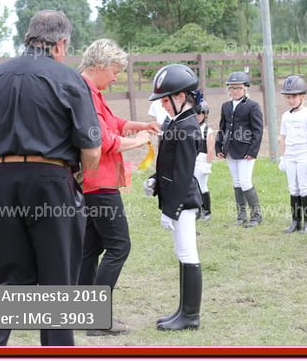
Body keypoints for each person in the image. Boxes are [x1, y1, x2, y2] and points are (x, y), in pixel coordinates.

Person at [0, 10, 101, 346]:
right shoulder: (68, 78)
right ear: (60, 43)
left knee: (11, 276)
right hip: (51, 179)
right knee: (58, 279)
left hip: (2, 178)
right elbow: (91, 148)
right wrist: (78, 176)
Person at [77, 38, 157, 336]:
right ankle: (97, 317)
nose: (115, 78)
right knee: (119, 246)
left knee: (90, 248)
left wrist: (139, 126)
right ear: (99, 66)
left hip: (91, 183)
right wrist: (138, 142)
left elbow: (112, 123)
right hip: (100, 183)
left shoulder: (90, 93)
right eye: (114, 71)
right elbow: (103, 139)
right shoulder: (86, 95)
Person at [145, 63, 203, 331]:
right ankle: (183, 310)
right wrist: (155, 180)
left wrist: (171, 209)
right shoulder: (178, 121)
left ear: (181, 96)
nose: (162, 104)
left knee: (188, 252)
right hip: (176, 198)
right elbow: (168, 164)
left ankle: (190, 315)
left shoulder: (188, 127)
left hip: (184, 201)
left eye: (166, 99)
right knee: (182, 252)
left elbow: (182, 173)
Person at [215, 71, 264, 228]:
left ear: (245, 89)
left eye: (238, 88)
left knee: (245, 181)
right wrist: (218, 146)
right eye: (232, 88)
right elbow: (222, 128)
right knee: (236, 182)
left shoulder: (252, 106)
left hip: (245, 150)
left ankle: (256, 215)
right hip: (230, 149)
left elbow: (258, 130)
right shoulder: (226, 106)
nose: (235, 91)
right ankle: (241, 215)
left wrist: (253, 151)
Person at [277, 75, 307, 234]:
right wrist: (283, 157)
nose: (290, 100)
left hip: (303, 155)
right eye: (288, 97)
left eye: (293, 96)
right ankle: (296, 222)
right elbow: (282, 138)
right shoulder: (286, 116)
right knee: (293, 188)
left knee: (304, 187)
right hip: (290, 155)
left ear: (302, 96)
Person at [194, 100, 215, 221]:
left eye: (200, 114)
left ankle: (206, 211)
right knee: (193, 186)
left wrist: (208, 164)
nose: (198, 116)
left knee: (202, 185)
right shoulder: (189, 129)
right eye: (195, 114)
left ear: (205, 115)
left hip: (202, 161)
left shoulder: (207, 130)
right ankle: (197, 209)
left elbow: (210, 149)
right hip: (191, 161)